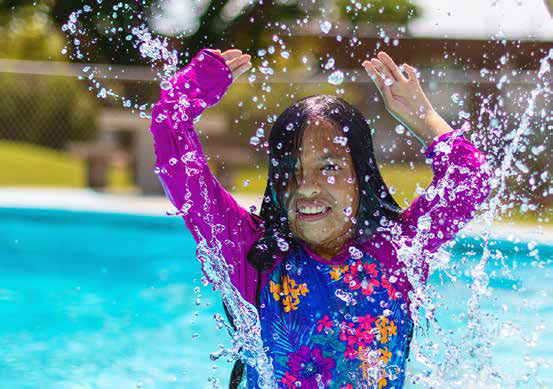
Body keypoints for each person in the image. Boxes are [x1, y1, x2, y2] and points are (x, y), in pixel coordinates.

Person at [149, 48, 491, 389]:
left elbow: (470, 179)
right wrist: (193, 89)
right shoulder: (254, 256)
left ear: (361, 174)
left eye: (329, 167)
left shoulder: (397, 251)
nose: (307, 187)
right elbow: (171, 142)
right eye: (290, 171)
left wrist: (421, 115)